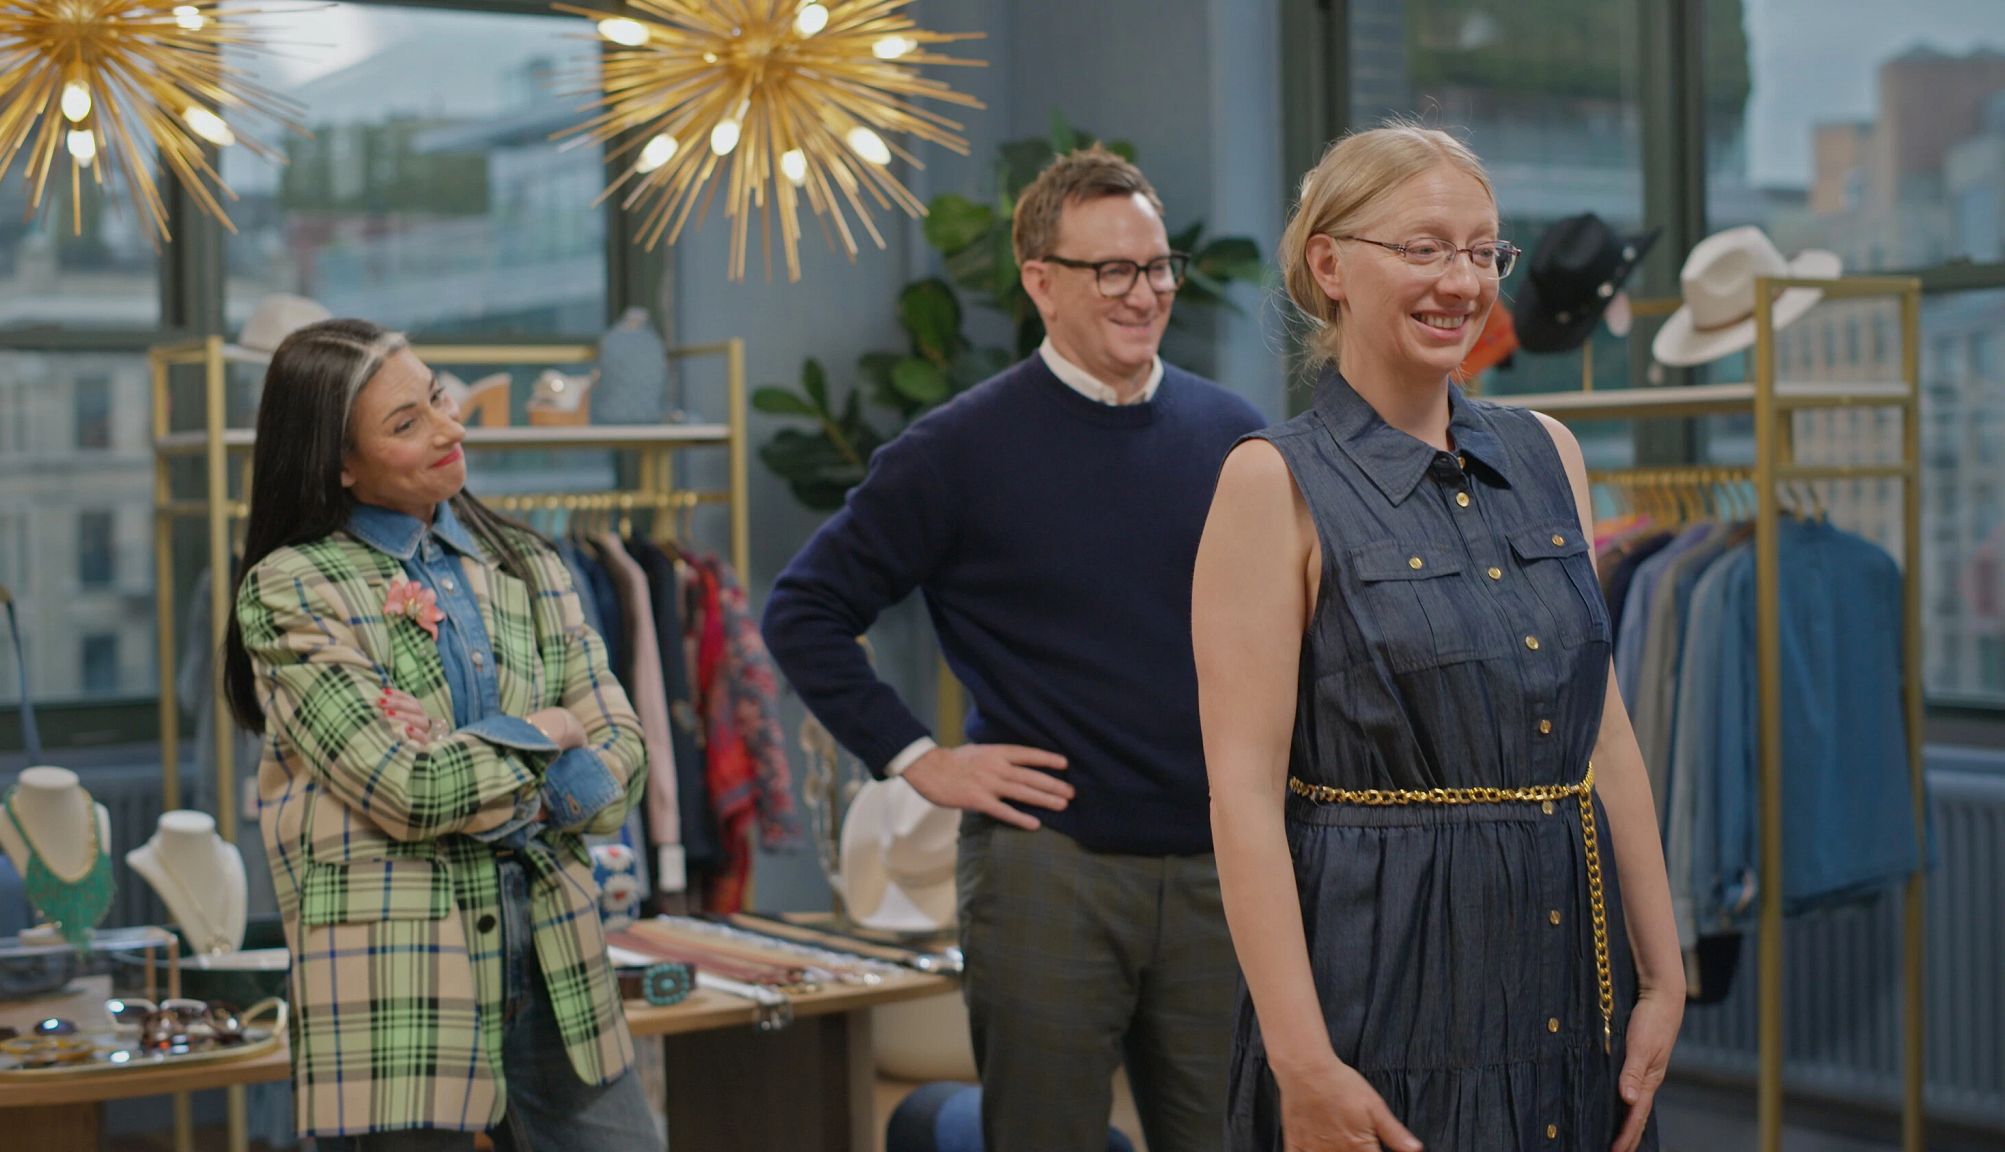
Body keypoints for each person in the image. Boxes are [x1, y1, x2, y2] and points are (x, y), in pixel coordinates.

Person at [762, 146, 1266, 1151]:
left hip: (1224, 864)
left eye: (1158, 266)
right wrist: (918, 761)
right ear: (1040, 281)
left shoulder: (1236, 435)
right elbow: (803, 608)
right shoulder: (955, 450)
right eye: (1111, 270)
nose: (1145, 292)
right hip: (1051, 866)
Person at [1193, 125, 1684, 1152]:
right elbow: (1240, 796)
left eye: (1481, 250)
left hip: (1559, 977)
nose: (1459, 281)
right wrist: (1302, 1062)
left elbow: (1603, 735)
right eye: (1422, 247)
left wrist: (1662, 971)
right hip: (1375, 988)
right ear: (1327, 263)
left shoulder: (1548, 451)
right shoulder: (1268, 482)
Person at [222, 319, 655, 1151]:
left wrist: (500, 770)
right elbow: (410, 790)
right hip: (396, 983)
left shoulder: (529, 564)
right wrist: (548, 731)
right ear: (339, 465)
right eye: (406, 424)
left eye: (439, 399)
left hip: (559, 962)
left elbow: (623, 764)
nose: (449, 430)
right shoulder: (291, 589)